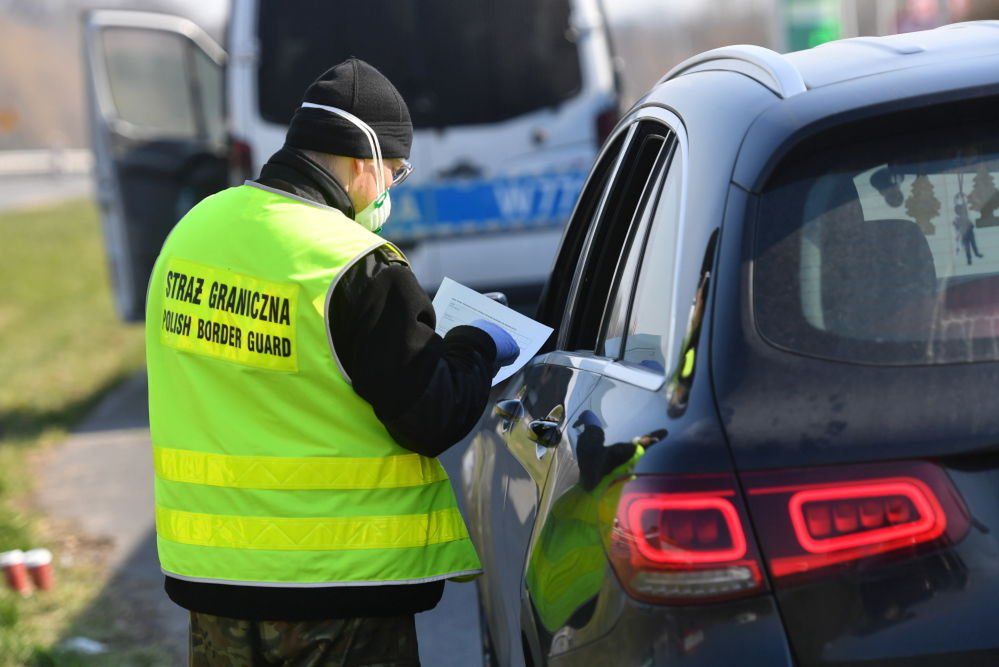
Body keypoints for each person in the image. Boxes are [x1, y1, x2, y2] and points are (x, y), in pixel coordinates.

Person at [145, 58, 520, 666]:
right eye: (394, 173)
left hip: (213, 581)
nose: (391, 188)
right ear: (361, 161)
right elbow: (431, 415)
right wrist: (476, 344)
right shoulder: (355, 263)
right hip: (337, 591)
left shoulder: (192, 233)